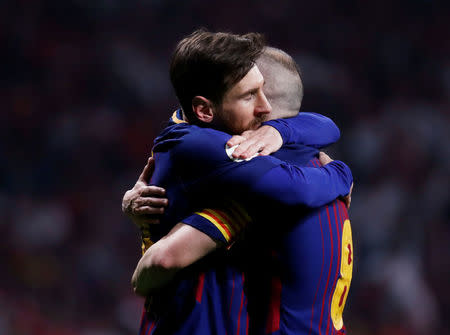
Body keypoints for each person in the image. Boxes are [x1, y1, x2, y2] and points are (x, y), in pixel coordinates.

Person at [124, 30, 353, 335]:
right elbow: (295, 186)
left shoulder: (191, 127)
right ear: (204, 109)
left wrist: (281, 131)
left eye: (263, 92)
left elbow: (325, 125)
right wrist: (341, 175)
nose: (265, 107)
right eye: (249, 96)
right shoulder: (219, 156)